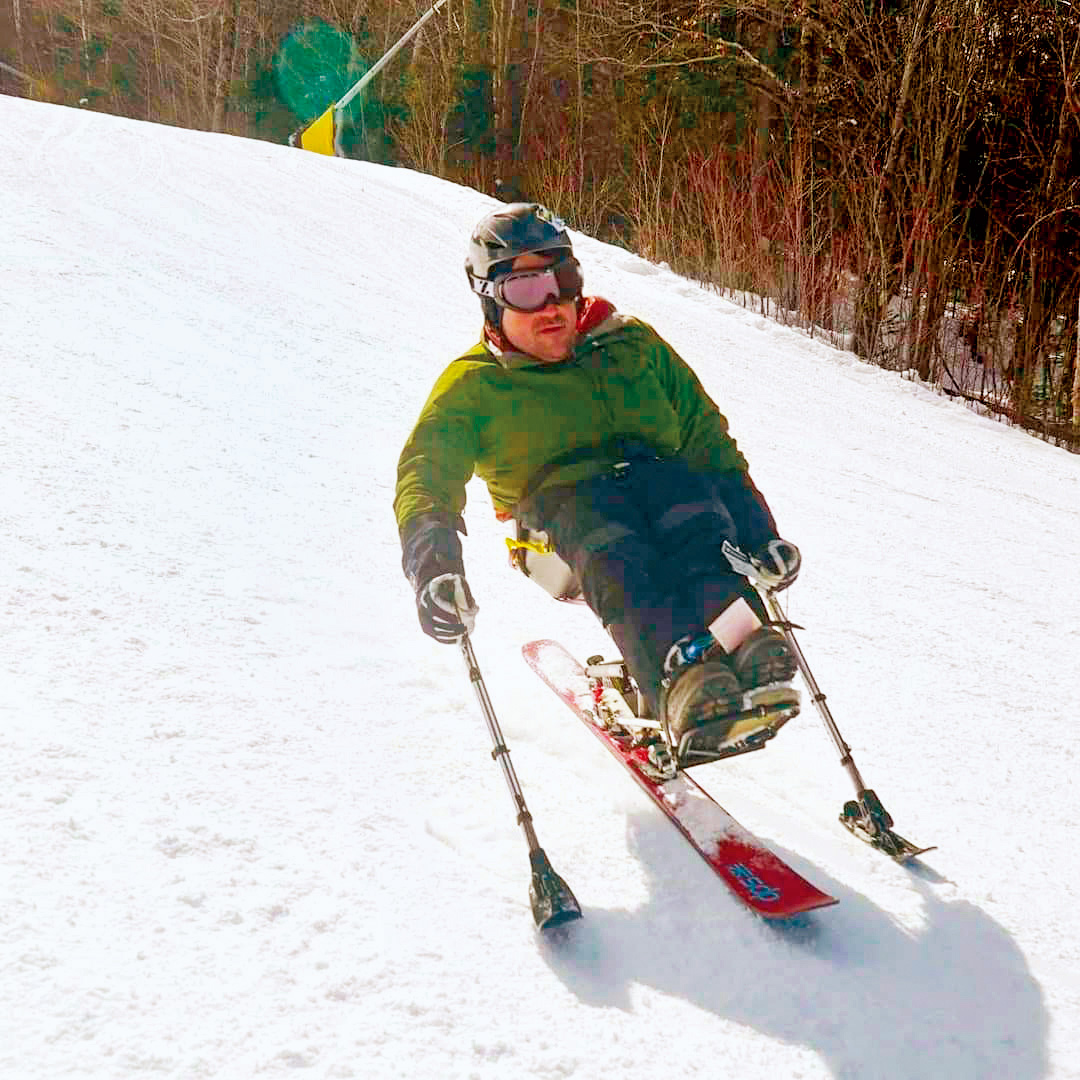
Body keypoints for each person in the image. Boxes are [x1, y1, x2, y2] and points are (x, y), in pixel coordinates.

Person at [394, 203, 802, 755]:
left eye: (562, 280)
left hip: (657, 487)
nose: (552, 305)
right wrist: (433, 566)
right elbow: (426, 474)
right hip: (555, 523)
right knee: (612, 543)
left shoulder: (631, 344)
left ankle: (743, 643)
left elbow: (707, 438)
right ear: (491, 300)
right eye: (525, 289)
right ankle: (678, 678)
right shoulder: (476, 386)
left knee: (693, 513)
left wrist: (758, 531)